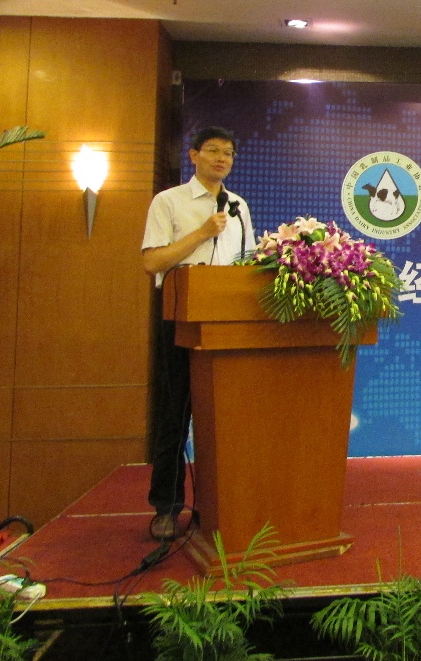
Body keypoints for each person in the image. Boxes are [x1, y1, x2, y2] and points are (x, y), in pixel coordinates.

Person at [141, 126, 254, 540]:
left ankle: (221, 503)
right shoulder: (168, 201)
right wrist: (202, 233)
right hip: (181, 319)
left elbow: (246, 264)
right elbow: (153, 263)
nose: (221, 159)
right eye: (213, 151)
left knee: (225, 419)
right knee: (175, 415)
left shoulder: (238, 206)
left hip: (226, 321)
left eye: (228, 153)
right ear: (193, 155)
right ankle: (167, 507)